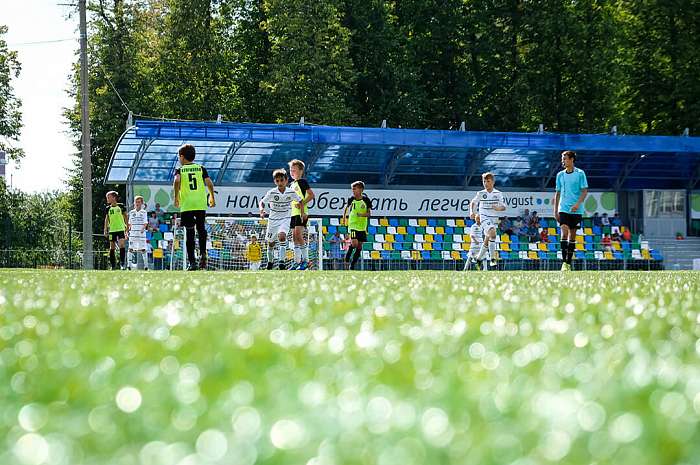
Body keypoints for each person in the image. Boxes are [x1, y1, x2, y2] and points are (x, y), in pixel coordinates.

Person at [173, 144, 216, 271]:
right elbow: (209, 183)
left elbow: (176, 181)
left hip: (187, 205)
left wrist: (176, 197)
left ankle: (192, 263)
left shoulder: (180, 170)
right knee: (201, 229)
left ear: (182, 157)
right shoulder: (200, 168)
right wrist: (212, 196)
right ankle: (203, 253)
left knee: (190, 233)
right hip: (200, 203)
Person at [259, 169, 303, 270]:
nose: (280, 183)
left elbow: (300, 201)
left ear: (286, 180)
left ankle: (281, 262)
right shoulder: (272, 192)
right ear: (275, 181)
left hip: (285, 219)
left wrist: (302, 213)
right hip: (273, 220)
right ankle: (270, 262)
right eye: (277, 181)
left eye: (282, 180)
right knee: (271, 243)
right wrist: (261, 210)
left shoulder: (291, 192)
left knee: (282, 237)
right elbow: (262, 202)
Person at [554, 150, 588, 271]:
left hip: (576, 210)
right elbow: (557, 193)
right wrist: (555, 210)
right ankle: (564, 263)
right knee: (564, 233)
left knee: (572, 237)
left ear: (572, 159)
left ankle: (568, 262)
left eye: (565, 158)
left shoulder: (580, 173)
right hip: (563, 208)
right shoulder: (560, 175)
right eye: (562, 159)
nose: (563, 161)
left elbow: (584, 191)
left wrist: (577, 204)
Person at [470, 172, 506, 269]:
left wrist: (498, 208)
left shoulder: (498, 193)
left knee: (488, 238)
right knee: (493, 234)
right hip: (484, 217)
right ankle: (493, 259)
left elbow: (503, 206)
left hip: (494, 218)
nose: (485, 183)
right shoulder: (481, 193)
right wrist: (472, 212)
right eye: (484, 181)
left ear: (493, 182)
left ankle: (478, 258)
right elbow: (473, 202)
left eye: (488, 181)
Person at [288, 159, 315, 270]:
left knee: (299, 236)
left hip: (302, 213)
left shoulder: (302, 182)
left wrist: (302, 204)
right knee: (294, 237)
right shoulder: (291, 184)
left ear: (300, 171)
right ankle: (297, 261)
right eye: (291, 170)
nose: (292, 172)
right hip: (293, 214)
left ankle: (306, 261)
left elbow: (311, 195)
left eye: (294, 170)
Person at [341, 181, 372, 270]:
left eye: (355, 189)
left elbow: (369, 214)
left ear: (361, 189)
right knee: (354, 244)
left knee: (359, 246)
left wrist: (362, 215)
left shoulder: (366, 200)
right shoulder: (351, 199)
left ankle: (352, 265)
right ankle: (347, 259)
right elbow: (346, 208)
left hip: (362, 226)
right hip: (353, 224)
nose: (353, 191)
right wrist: (344, 218)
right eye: (352, 189)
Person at [103, 191, 128, 270]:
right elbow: (107, 219)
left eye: (108, 197)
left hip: (121, 229)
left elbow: (126, 216)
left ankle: (122, 264)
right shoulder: (108, 208)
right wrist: (105, 229)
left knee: (121, 245)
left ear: (114, 198)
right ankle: (113, 265)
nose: (107, 199)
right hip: (112, 230)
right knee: (112, 247)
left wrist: (127, 227)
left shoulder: (121, 206)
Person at [127, 195, 149, 270]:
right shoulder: (131, 212)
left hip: (141, 234)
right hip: (133, 233)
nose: (137, 203)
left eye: (139, 202)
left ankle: (146, 266)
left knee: (143, 249)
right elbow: (129, 223)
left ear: (141, 203)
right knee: (130, 249)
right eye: (136, 202)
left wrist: (142, 229)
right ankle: (129, 265)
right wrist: (128, 231)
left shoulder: (144, 212)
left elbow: (145, 223)